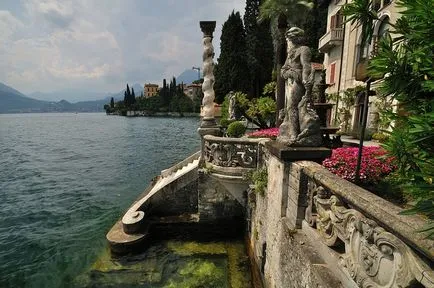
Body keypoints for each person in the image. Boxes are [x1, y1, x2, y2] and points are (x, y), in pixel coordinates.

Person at [278, 27, 321, 146]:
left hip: (298, 81)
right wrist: (289, 73)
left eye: (289, 39)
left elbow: (306, 66)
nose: (288, 42)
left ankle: (294, 134)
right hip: (290, 81)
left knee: (292, 106)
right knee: (289, 108)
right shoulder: (291, 53)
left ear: (295, 39)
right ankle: (292, 132)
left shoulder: (304, 49)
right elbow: (283, 69)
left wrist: (304, 79)